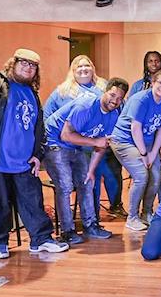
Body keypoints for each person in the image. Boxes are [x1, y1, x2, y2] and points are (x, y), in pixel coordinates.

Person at [0, 49, 68, 258]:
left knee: (32, 200)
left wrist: (38, 154)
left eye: (33, 65)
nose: (28, 68)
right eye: (23, 63)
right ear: (12, 63)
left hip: (22, 161)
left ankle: (41, 239)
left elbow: (37, 127)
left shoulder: (31, 93)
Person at [42, 77, 128, 244]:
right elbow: (65, 135)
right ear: (104, 92)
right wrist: (95, 141)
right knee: (66, 185)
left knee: (87, 181)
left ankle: (91, 226)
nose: (115, 100)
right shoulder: (86, 105)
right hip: (54, 141)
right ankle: (67, 231)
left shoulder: (113, 114)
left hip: (75, 144)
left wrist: (90, 171)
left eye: (119, 98)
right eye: (112, 95)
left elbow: (101, 145)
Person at [109, 70, 161, 231]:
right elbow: (135, 128)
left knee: (156, 175)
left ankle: (147, 213)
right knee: (141, 174)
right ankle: (132, 217)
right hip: (124, 140)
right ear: (153, 83)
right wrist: (144, 154)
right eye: (160, 83)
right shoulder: (141, 99)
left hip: (146, 143)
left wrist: (153, 154)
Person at [42, 55, 106, 118]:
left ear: (92, 69)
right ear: (73, 70)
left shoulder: (104, 86)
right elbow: (46, 115)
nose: (83, 68)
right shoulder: (62, 91)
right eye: (79, 66)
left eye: (87, 65)